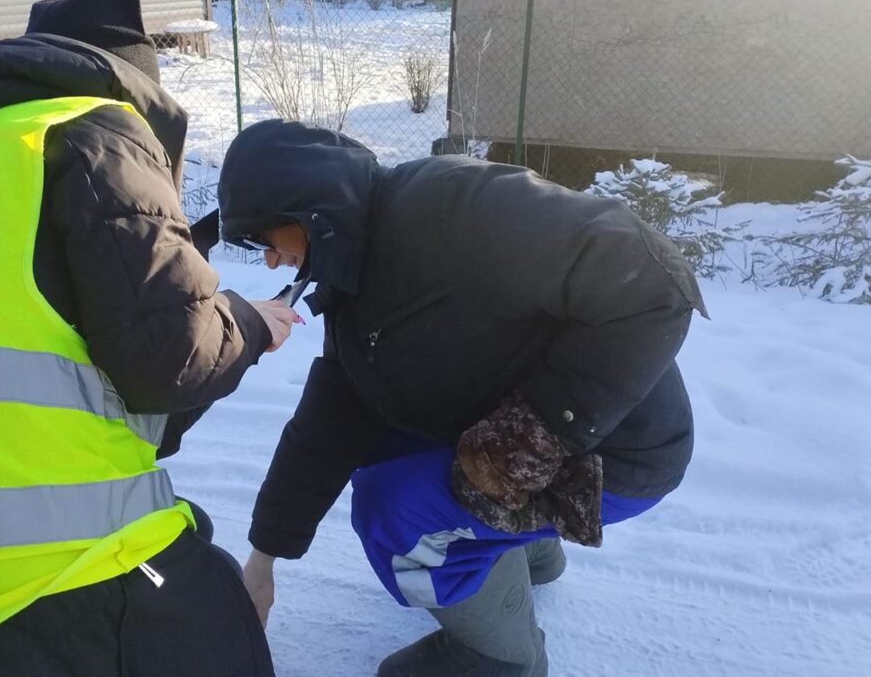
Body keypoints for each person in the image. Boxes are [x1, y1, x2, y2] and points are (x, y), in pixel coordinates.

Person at [0, 0, 296, 676]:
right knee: (214, 609)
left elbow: (87, 387)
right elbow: (168, 357)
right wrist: (250, 322)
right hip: (21, 584)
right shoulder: (95, 127)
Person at [216, 120, 708, 677]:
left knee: (393, 515)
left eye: (266, 240)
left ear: (311, 211)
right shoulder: (355, 272)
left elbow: (652, 280)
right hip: (540, 428)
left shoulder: (449, 206)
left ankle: (500, 656)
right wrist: (264, 557)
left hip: (619, 448)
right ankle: (533, 557)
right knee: (382, 445)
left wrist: (529, 442)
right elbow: (332, 423)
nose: (270, 261)